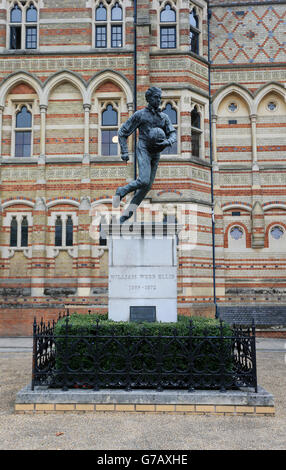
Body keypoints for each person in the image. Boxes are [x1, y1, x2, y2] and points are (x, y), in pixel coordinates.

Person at [114, 87, 177, 223]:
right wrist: (124, 151)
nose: (159, 100)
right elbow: (123, 132)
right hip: (143, 148)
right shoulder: (140, 115)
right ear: (149, 99)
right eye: (156, 97)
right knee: (143, 180)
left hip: (156, 151)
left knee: (146, 187)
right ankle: (122, 190)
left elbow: (173, 133)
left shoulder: (164, 117)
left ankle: (126, 214)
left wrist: (168, 142)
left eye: (160, 98)